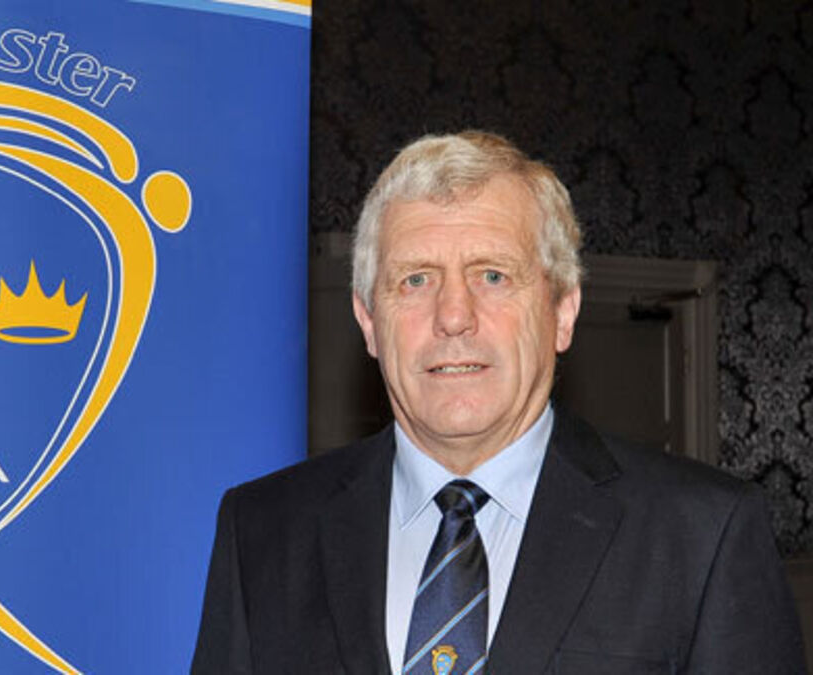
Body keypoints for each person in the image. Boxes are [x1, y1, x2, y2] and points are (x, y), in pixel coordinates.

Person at [192, 131, 806, 674]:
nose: (453, 316)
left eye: (492, 275)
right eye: (415, 279)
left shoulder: (702, 535)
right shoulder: (263, 531)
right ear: (368, 322)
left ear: (563, 311)